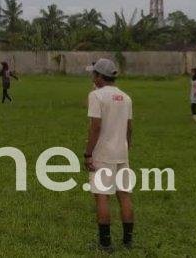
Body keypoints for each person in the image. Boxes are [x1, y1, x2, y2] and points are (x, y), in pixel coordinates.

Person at [84, 58, 134, 251]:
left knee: (102, 196)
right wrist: (126, 146)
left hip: (103, 154)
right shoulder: (126, 97)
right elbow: (129, 127)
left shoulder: (96, 96)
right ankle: (128, 241)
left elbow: (95, 127)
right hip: (121, 152)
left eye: (93, 74)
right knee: (124, 195)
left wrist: (88, 154)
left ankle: (105, 244)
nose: (92, 77)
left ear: (99, 76)